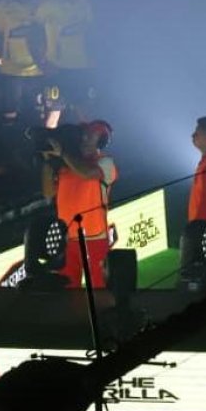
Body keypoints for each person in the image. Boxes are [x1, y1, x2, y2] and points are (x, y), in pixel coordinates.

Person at [41, 121, 118, 288]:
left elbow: (88, 173)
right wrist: (48, 162)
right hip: (68, 239)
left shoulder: (106, 163)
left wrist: (62, 154)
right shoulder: (66, 165)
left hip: (94, 238)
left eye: (90, 135)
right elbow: (48, 192)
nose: (84, 138)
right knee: (67, 290)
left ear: (101, 141)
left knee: (99, 289)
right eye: (84, 134)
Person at [36, 0, 94, 126]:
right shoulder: (50, 2)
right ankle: (47, 146)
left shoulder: (84, 2)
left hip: (80, 66)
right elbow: (35, 30)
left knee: (83, 110)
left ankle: (86, 146)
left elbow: (89, 29)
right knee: (54, 111)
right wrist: (42, 59)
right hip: (56, 66)